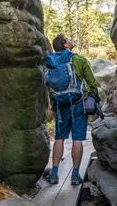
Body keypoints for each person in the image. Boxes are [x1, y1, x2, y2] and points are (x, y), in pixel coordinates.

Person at [44, 34, 100, 185]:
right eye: (68, 39)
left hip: (61, 106)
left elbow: (50, 87)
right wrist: (94, 99)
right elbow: (92, 83)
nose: (70, 40)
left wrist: (54, 106)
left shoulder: (52, 62)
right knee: (77, 139)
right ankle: (75, 175)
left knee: (59, 138)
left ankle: (54, 174)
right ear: (66, 45)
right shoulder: (79, 59)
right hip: (78, 105)